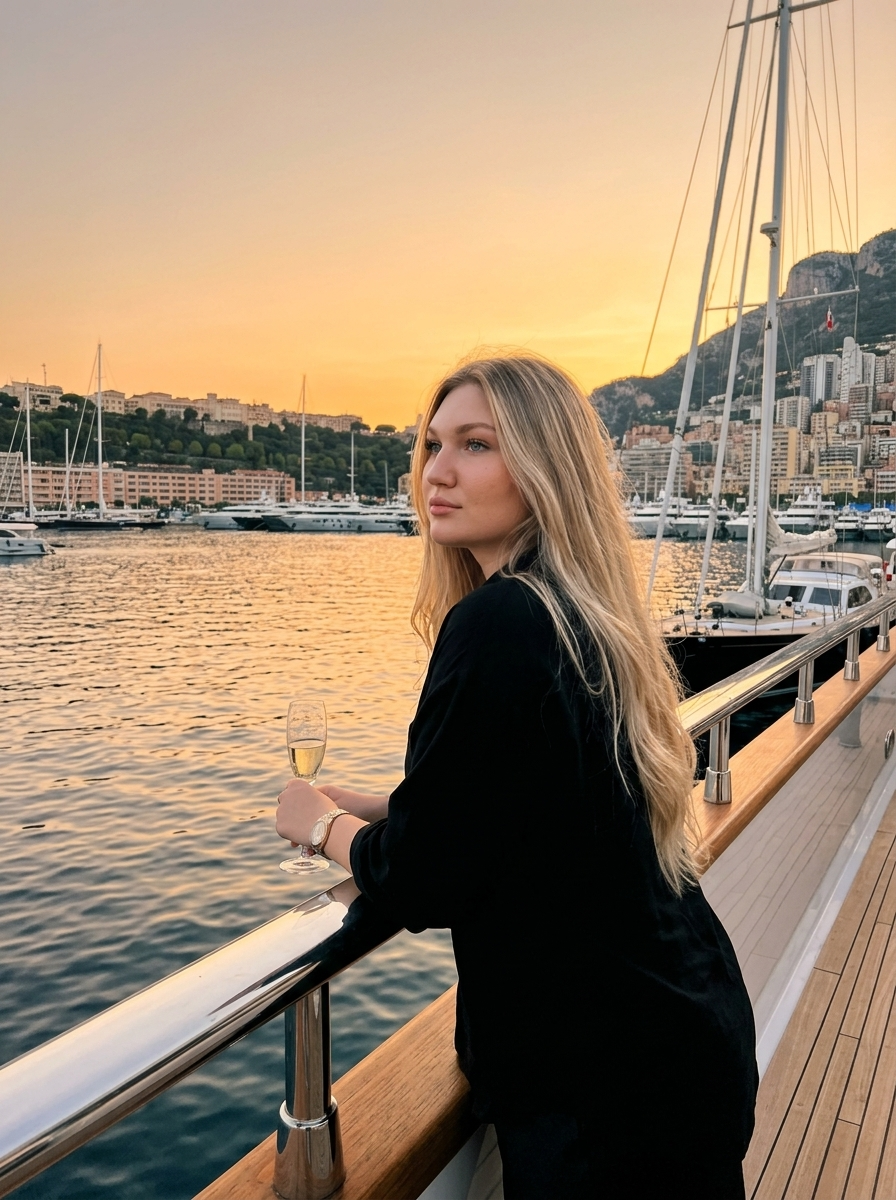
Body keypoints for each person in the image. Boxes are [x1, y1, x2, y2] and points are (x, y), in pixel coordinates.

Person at [276, 354, 758, 1199]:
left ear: (543, 469)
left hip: (602, 1091)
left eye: (476, 445)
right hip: (683, 1030)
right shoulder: (583, 613)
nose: (438, 471)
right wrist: (392, 804)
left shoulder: (499, 619)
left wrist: (319, 826)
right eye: (431, 445)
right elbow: (546, 800)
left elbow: (424, 881)